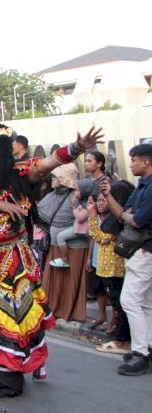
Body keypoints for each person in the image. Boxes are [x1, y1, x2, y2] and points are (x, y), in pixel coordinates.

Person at [0, 121, 103, 401]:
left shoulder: (18, 174)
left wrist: (76, 148)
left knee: (17, 320)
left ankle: (11, 378)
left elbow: (45, 166)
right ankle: (6, 380)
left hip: (15, 262)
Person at [110, 144, 152, 376]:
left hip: (145, 250)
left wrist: (129, 216)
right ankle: (146, 348)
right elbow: (127, 211)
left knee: (130, 300)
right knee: (145, 302)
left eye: (134, 160)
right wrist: (129, 215)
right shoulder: (142, 185)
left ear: (145, 162)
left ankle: (140, 354)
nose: (132, 163)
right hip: (143, 249)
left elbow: (136, 219)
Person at [41, 172, 92, 322]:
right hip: (56, 245)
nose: (52, 179)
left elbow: (80, 220)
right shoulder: (55, 195)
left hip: (74, 247)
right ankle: (52, 310)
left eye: (56, 177)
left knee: (68, 283)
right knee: (54, 281)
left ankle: (68, 311)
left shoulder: (78, 199)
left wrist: (74, 204)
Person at [89, 182, 134, 354]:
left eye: (110, 197)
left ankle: (123, 341)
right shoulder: (113, 218)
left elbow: (100, 236)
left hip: (116, 269)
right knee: (117, 304)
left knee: (120, 305)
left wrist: (92, 217)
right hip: (110, 269)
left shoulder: (117, 219)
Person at [50, 178, 93, 268]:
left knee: (60, 237)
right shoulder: (83, 203)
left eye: (77, 191)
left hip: (81, 230)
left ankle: (64, 259)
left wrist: (73, 207)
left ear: (84, 192)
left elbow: (80, 218)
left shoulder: (88, 205)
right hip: (78, 228)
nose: (75, 193)